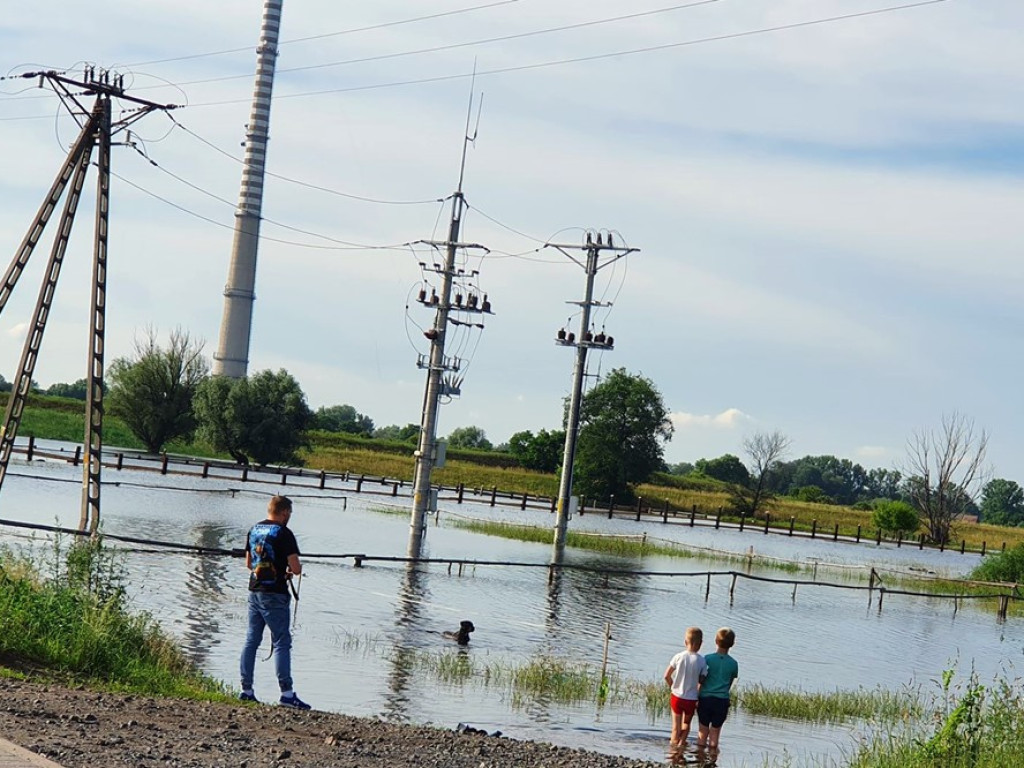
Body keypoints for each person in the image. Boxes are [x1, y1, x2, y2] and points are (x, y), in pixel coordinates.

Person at [239, 495, 311, 709]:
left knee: (252, 639)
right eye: (289, 513)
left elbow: (249, 563)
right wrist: (291, 571)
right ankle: (286, 693)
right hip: (276, 593)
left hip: (254, 590)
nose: (289, 517)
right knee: (281, 641)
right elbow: (296, 568)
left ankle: (246, 689)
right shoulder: (284, 533)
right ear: (284, 512)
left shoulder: (254, 529)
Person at [663, 626, 707, 750]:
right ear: (701, 644)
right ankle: (681, 744)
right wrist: (698, 694)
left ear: (685, 642)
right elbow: (702, 681)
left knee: (675, 727)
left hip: (677, 697)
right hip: (691, 699)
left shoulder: (678, 657)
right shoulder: (702, 661)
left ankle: (673, 749)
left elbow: (666, 676)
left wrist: (673, 687)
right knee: (686, 724)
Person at [696, 627, 739, 752]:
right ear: (732, 644)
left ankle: (699, 758)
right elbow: (730, 682)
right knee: (715, 732)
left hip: (705, 699)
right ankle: (712, 759)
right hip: (721, 701)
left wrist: (697, 696)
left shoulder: (707, 659)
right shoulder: (733, 663)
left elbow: (701, 680)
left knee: (702, 731)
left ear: (716, 641)